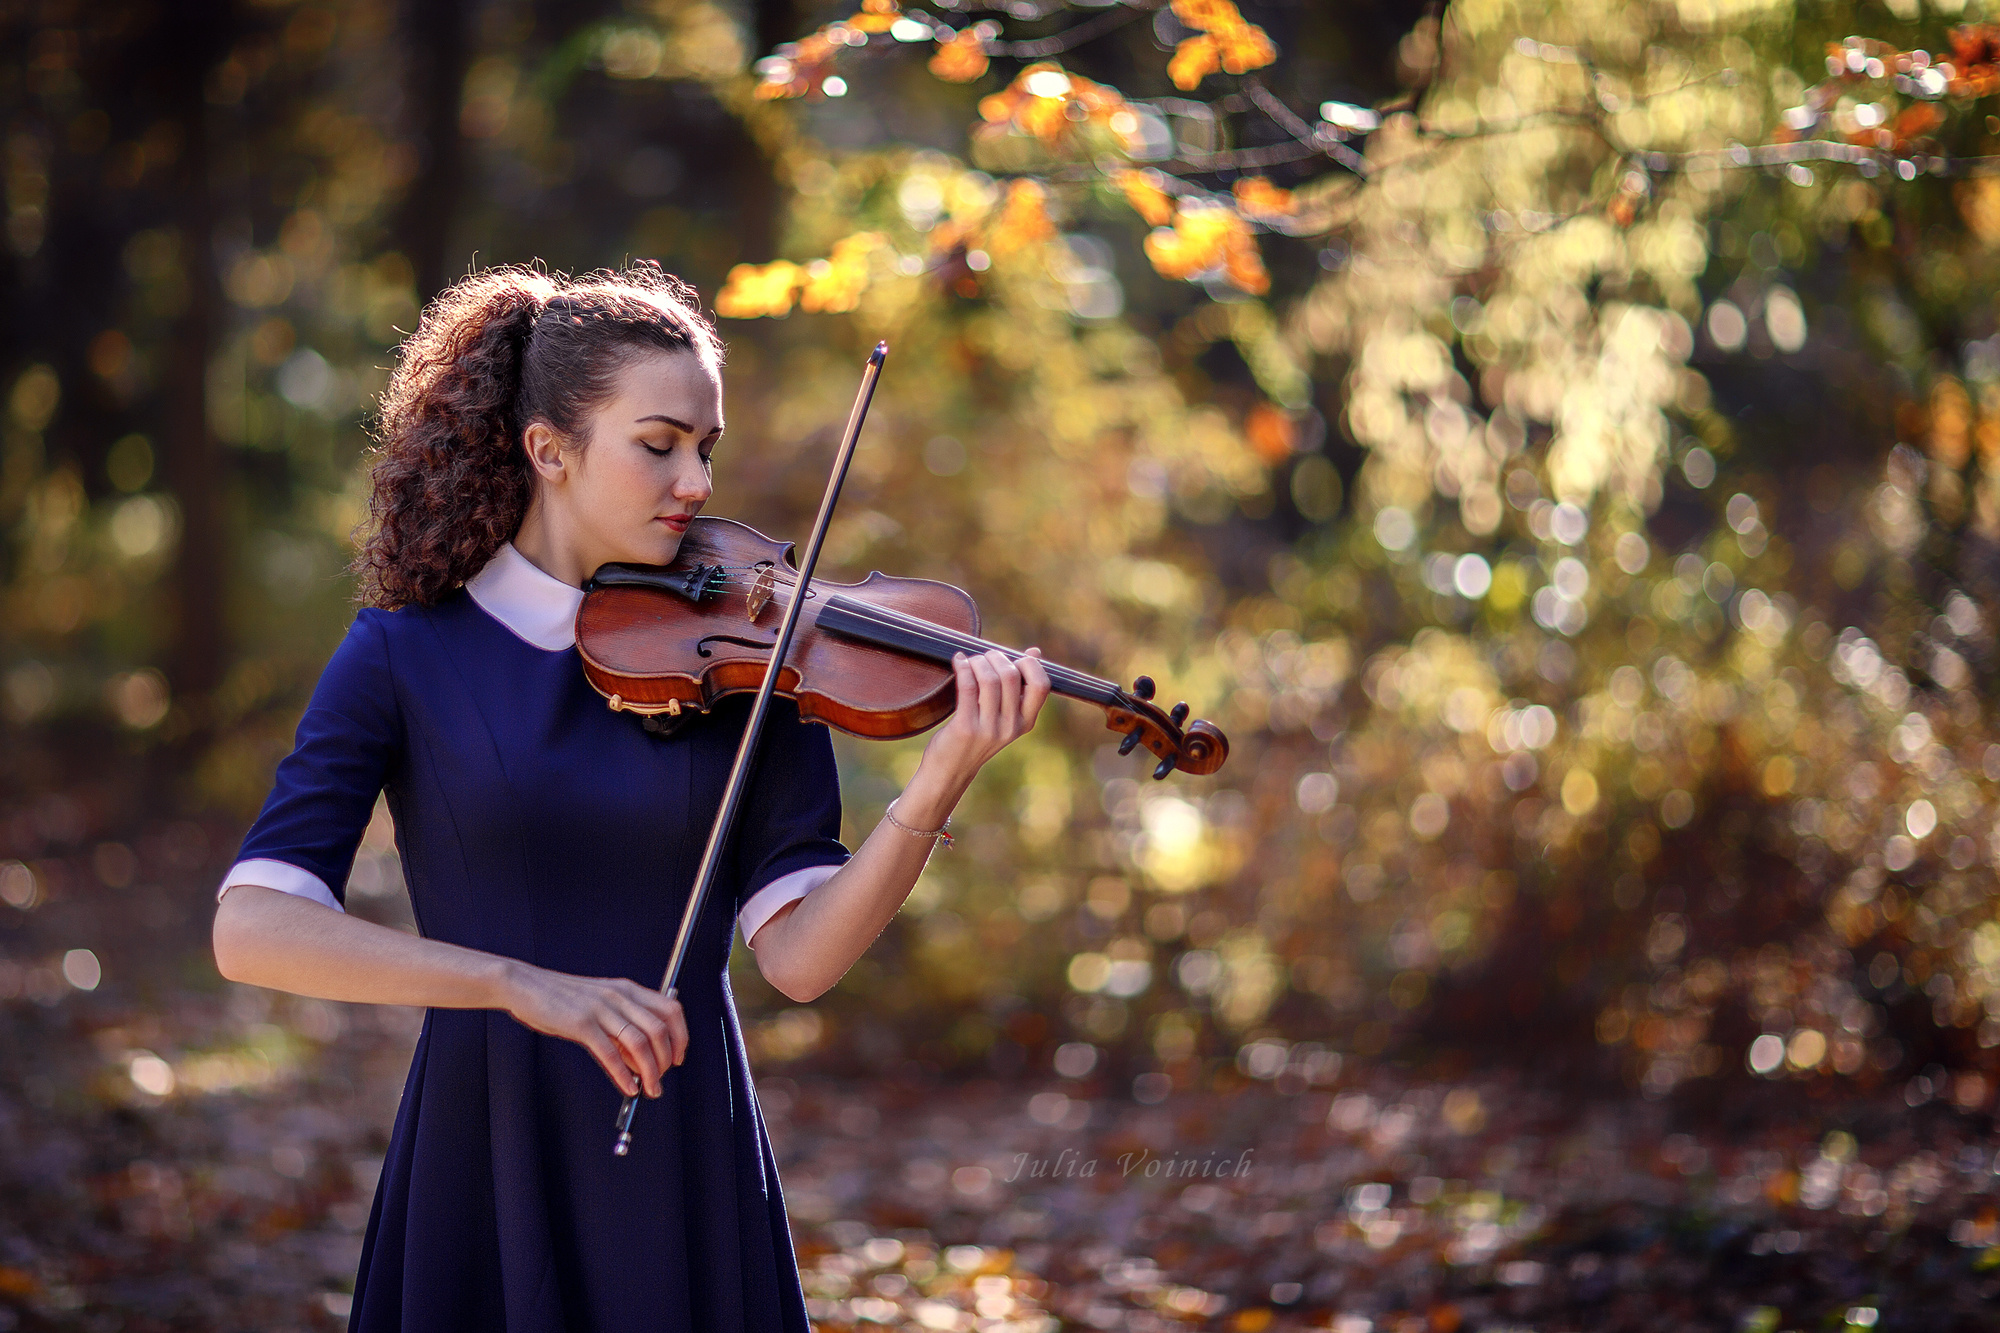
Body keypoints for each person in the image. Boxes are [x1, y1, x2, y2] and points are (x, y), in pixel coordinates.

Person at [209, 261, 1051, 1332]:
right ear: (548, 449)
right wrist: (516, 983)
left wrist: (939, 779)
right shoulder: (402, 656)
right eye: (658, 445)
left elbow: (798, 960)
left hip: (684, 1144)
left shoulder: (754, 659)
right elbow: (253, 928)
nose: (694, 482)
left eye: (705, 448)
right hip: (488, 1141)